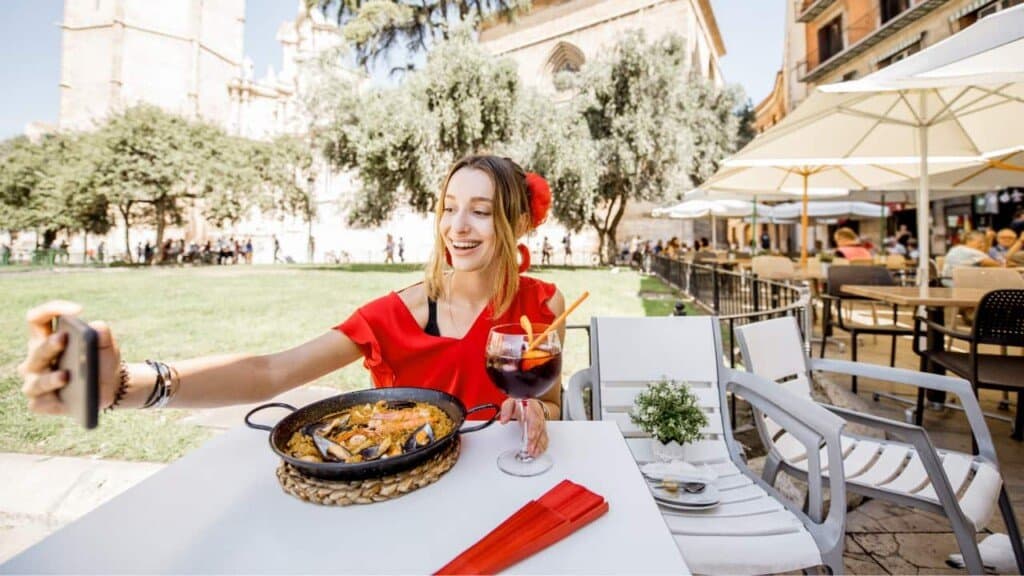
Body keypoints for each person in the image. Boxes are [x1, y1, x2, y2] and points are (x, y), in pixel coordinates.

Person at [19, 155, 564, 457]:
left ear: (517, 222)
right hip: (406, 495)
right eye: (448, 208)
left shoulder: (545, 304)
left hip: (505, 490)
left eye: (481, 211)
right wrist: (125, 387)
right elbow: (269, 373)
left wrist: (540, 411)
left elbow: (553, 403)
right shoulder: (391, 315)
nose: (457, 227)